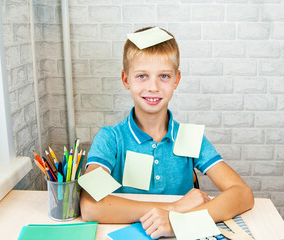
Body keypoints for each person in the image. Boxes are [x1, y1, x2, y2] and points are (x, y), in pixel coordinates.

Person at [80, 26, 254, 239]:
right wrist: (175, 207)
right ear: (126, 80)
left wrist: (178, 223)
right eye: (142, 76)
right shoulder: (111, 139)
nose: (153, 87)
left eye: (163, 76)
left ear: (176, 80)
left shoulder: (189, 137)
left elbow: (242, 194)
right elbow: (90, 205)